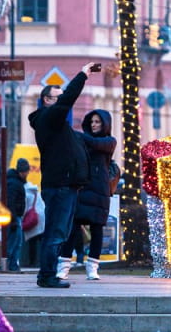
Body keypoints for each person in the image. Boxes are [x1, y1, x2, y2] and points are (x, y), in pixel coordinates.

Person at [30, 62, 100, 288]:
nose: (62, 100)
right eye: (57, 97)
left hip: (67, 185)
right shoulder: (49, 118)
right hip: (60, 186)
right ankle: (47, 276)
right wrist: (82, 75)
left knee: (60, 231)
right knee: (56, 232)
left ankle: (48, 274)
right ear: (47, 100)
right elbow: (69, 98)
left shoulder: (56, 124)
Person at [56, 109, 116, 281]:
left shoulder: (109, 141)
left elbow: (95, 144)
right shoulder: (81, 140)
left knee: (97, 229)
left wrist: (75, 134)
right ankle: (64, 267)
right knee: (73, 229)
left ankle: (92, 268)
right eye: (92, 122)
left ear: (105, 124)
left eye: (98, 122)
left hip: (100, 191)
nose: (94, 125)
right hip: (82, 189)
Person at [4, 159, 31, 272]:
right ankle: (12, 265)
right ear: (23, 171)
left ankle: (13, 264)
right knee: (15, 242)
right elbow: (11, 202)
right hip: (14, 217)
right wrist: (14, 219)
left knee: (16, 242)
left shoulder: (14, 182)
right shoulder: (15, 184)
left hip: (15, 217)